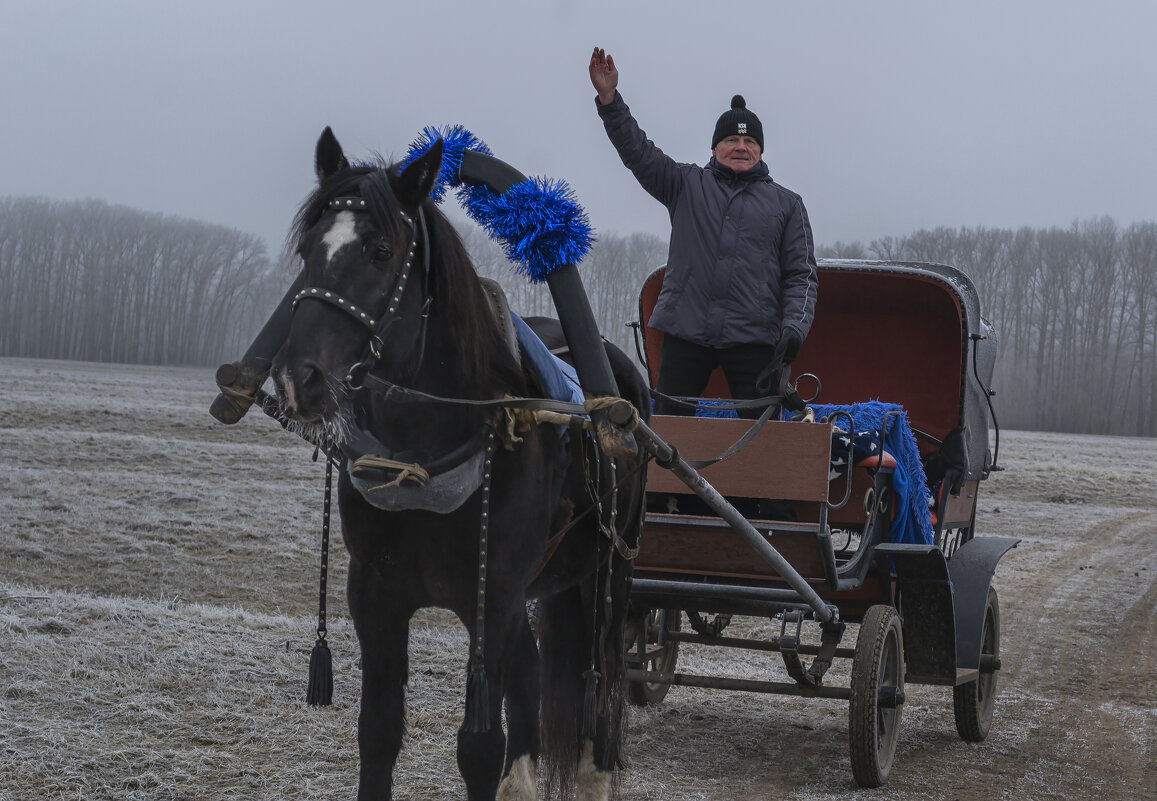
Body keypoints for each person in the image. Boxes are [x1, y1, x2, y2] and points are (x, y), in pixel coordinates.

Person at [589, 46, 818, 420]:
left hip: (754, 342)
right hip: (685, 333)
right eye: (731, 141)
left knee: (764, 442)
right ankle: (658, 482)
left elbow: (802, 276)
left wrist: (794, 328)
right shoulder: (684, 183)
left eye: (749, 142)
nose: (740, 147)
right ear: (715, 147)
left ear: (760, 151)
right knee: (666, 435)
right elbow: (638, 152)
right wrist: (610, 99)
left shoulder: (788, 205)